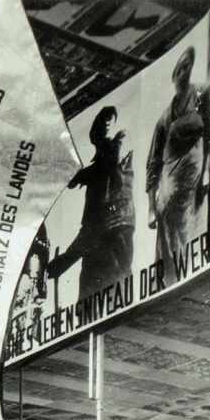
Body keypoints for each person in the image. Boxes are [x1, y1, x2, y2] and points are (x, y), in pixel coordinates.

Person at [49, 105, 134, 301]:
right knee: (90, 278)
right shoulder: (100, 163)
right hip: (100, 224)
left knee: (118, 273)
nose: (105, 124)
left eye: (109, 120)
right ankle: (49, 272)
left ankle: (49, 272)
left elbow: (111, 163)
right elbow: (79, 178)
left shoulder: (119, 144)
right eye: (101, 121)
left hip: (114, 222)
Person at [146, 46, 210, 287]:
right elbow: (152, 163)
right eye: (180, 68)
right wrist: (151, 208)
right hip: (168, 187)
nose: (185, 72)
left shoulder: (202, 95)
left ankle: (188, 280)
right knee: (168, 243)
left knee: (192, 233)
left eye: (188, 66)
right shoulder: (164, 119)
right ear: (174, 76)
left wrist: (206, 172)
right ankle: (170, 283)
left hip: (193, 181)